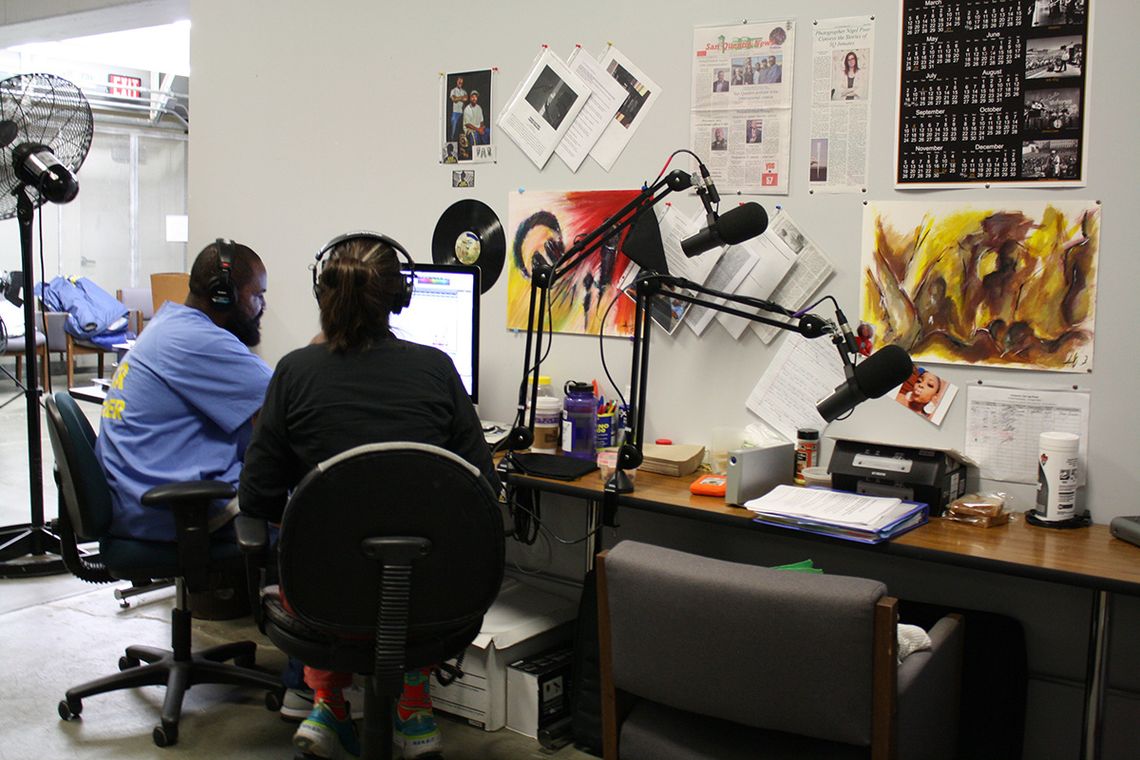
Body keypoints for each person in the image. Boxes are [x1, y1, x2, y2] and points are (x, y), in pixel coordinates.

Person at [239, 232, 500, 760]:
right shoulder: (437, 370)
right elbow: (483, 488)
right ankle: (414, 704)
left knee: (323, 554)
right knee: (408, 560)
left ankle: (330, 704)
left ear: (323, 295)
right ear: (400, 299)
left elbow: (258, 499)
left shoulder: (293, 372)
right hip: (432, 601)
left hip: (321, 601)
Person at [96, 240, 270, 543]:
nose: (262, 307)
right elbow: (293, 396)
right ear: (223, 296)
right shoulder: (197, 340)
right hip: (168, 511)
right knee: (310, 516)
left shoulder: (171, 323)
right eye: (257, 295)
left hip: (139, 496)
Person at [448, 76, 467, 142]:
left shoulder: (464, 91)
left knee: (463, 131)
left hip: (463, 113)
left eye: (461, 81)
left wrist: (457, 98)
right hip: (455, 113)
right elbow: (453, 99)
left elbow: (466, 99)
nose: (460, 82)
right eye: (459, 81)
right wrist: (461, 98)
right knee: (454, 131)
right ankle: (453, 146)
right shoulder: (453, 90)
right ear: (457, 81)